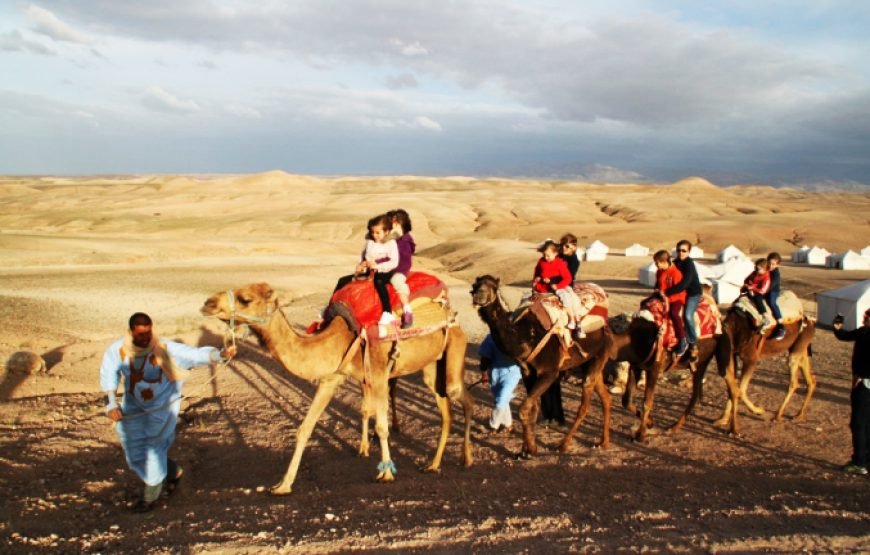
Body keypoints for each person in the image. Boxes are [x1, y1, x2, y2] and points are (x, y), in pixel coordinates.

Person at [100, 312, 236, 512]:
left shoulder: (165, 349)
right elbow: (108, 374)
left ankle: (151, 496)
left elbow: (193, 355)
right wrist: (111, 404)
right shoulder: (117, 349)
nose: (145, 338)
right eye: (140, 334)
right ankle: (173, 472)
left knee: (151, 448)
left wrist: (219, 355)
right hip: (133, 407)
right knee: (133, 448)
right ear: (130, 332)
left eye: (148, 333)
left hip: (162, 409)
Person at [832, 308, 870, 475]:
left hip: (864, 385)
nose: (864, 319)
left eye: (867, 317)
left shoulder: (865, 333)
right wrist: (837, 327)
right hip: (863, 382)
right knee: (867, 424)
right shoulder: (863, 332)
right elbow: (844, 335)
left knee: (858, 424)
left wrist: (863, 376)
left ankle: (859, 462)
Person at [357, 214, 400, 336]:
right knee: (344, 280)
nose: (374, 235)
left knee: (379, 282)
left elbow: (394, 262)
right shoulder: (370, 242)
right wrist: (362, 265)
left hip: (386, 271)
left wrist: (377, 266)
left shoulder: (391, 243)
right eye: (372, 232)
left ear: (386, 232)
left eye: (377, 233)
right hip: (370, 270)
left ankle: (387, 312)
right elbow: (364, 256)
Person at [533, 239, 583, 338]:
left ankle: (575, 321)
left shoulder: (560, 264)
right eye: (544, 255)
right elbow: (537, 271)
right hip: (545, 287)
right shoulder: (542, 261)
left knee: (569, 298)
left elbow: (568, 278)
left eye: (548, 255)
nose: (546, 257)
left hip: (558, 286)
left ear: (555, 253)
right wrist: (537, 278)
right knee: (527, 299)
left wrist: (557, 285)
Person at [667, 240, 703, 360]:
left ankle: (692, 343)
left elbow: (684, 284)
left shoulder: (689, 264)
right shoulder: (675, 263)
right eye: (678, 250)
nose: (681, 253)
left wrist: (667, 292)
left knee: (687, 315)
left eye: (684, 250)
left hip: (693, 294)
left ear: (689, 252)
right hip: (680, 294)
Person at [479, 334, 522, 433]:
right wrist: (484, 374)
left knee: (501, 398)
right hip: (495, 375)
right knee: (503, 399)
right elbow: (485, 358)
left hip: (512, 373)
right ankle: (508, 424)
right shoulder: (491, 338)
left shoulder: (518, 337)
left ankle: (493, 425)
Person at [653, 249, 688, 356]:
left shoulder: (675, 273)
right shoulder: (659, 272)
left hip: (676, 298)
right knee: (647, 305)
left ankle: (682, 339)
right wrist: (657, 290)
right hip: (662, 297)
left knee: (674, 313)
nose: (656, 265)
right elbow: (658, 284)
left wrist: (666, 294)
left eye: (657, 263)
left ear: (664, 261)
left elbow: (679, 289)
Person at [386, 209, 416, 329]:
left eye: (392, 225)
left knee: (396, 281)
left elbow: (399, 259)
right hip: (388, 268)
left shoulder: (404, 241)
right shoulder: (391, 240)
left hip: (400, 269)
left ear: (400, 225)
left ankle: (407, 311)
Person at [741, 258, 773, 330]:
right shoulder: (754, 273)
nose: (756, 270)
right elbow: (746, 279)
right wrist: (747, 285)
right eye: (755, 268)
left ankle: (765, 316)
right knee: (741, 295)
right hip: (750, 290)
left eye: (758, 269)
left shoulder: (766, 278)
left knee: (758, 299)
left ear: (764, 269)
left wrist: (752, 288)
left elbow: (763, 290)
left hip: (759, 293)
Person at [765, 252, 787, 340]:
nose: (770, 266)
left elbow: (771, 285)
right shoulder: (765, 269)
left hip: (773, 291)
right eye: (769, 263)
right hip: (763, 290)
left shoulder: (775, 274)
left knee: (772, 302)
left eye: (773, 264)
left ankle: (781, 325)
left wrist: (763, 290)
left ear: (778, 264)